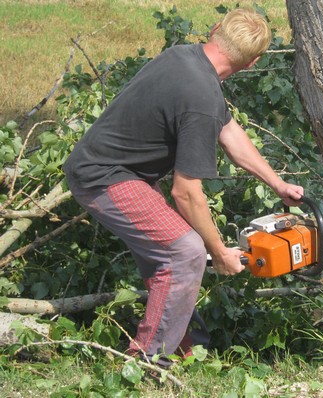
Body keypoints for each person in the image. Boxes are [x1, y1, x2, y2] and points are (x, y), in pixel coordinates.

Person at [63, 8, 304, 366]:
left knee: (169, 261)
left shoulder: (183, 57)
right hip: (104, 177)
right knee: (185, 252)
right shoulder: (201, 98)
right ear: (253, 63)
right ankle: (147, 363)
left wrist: (275, 182)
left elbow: (230, 132)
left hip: (119, 173)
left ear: (216, 29)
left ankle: (181, 347)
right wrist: (219, 251)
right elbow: (185, 193)